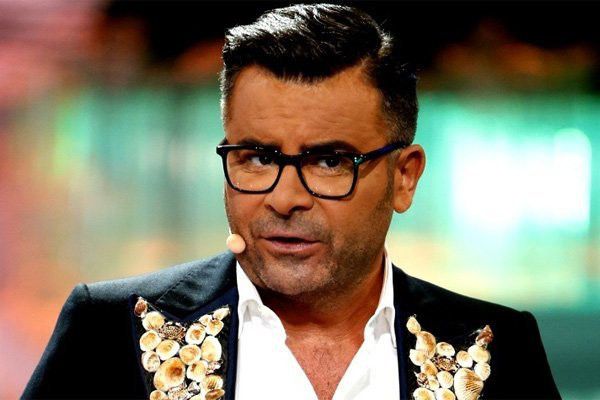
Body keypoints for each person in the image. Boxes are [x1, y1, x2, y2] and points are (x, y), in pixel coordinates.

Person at [22, 4, 560, 400]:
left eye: (329, 161)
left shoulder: (497, 348)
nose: (284, 198)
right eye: (257, 157)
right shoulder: (108, 332)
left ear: (404, 177)